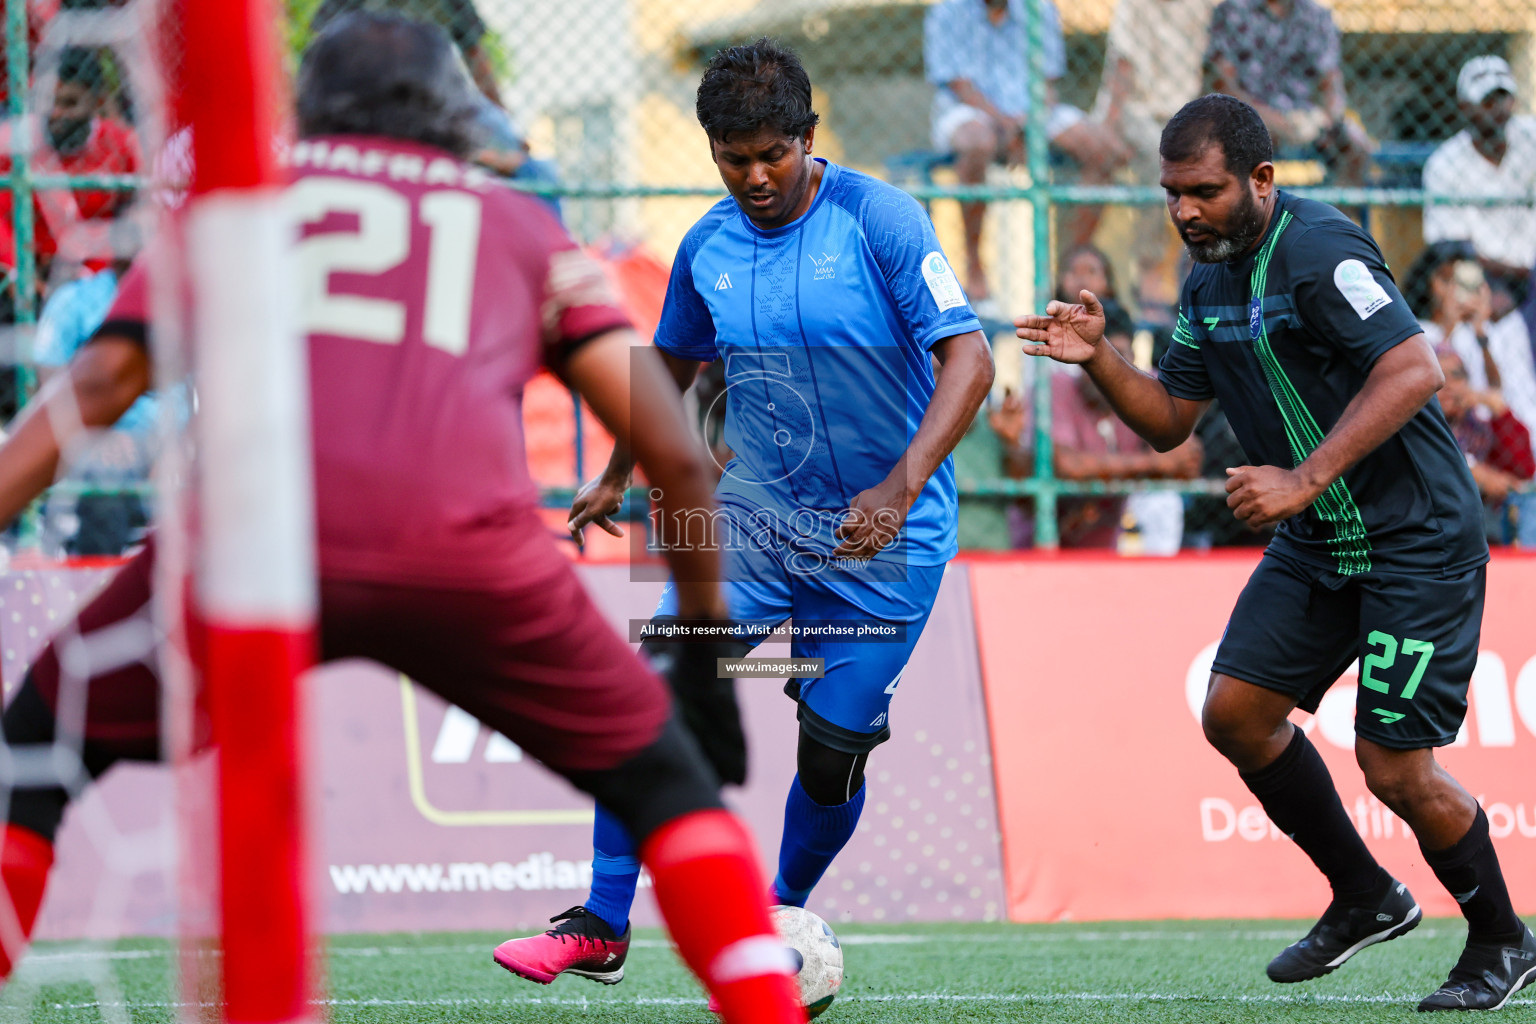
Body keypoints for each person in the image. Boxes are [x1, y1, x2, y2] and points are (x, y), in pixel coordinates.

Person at [0, 16, 807, 1023]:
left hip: (256, 544)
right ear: (449, 116)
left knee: (31, 743)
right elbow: (677, 449)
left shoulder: (238, 208)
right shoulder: (517, 224)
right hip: (470, 554)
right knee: (669, 788)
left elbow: (105, 380)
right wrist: (702, 656)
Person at [1017, 93, 1535, 1010]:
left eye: (1203, 191)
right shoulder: (1206, 279)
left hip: (1414, 543)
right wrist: (1098, 358)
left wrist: (1302, 479)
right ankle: (1366, 896)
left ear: (1261, 179)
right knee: (1235, 714)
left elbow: (1415, 368)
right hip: (1319, 544)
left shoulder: (1320, 249)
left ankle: (1502, 941)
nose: (1183, 212)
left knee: (1395, 768)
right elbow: (1172, 421)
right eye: (1172, 193)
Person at [495, 38, 993, 990]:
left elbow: (968, 361)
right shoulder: (708, 243)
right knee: (655, 692)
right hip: (755, 524)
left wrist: (897, 488)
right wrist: (615, 472)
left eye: (774, 153)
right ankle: (601, 921)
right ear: (712, 150)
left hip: (882, 540)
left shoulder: (881, 219)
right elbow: (669, 368)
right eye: (735, 157)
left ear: (809, 138)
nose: (757, 175)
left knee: (835, 747)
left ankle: (773, 917)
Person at [923, 0, 1127, 299]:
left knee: (1104, 150)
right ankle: (975, 266)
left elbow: (1046, 84)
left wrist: (1027, 125)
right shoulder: (947, 12)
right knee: (977, 143)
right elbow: (960, 87)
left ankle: (1069, 271)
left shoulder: (1040, 8)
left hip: (1034, 111)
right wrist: (1007, 125)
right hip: (969, 110)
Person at [0, 45, 141, 273]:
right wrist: (18, 272)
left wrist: (95, 271)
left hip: (96, 268)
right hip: (29, 266)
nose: (55, 112)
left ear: (97, 103)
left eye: (69, 103)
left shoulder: (121, 143)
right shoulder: (15, 142)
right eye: (48, 101)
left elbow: (137, 211)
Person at [1205, 0, 1371, 185]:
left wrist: (1328, 119)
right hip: (1247, 113)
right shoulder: (1233, 11)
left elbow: (1330, 80)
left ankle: (1333, 212)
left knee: (1357, 148)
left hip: (1302, 116)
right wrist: (1272, 120)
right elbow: (1224, 83)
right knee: (1230, 148)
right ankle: (1249, 211)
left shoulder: (1316, 16)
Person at [1422, 56, 1536, 318]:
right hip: (1486, 276)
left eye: (1503, 98)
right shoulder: (1445, 163)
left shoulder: (1530, 137)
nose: (1498, 108)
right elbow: (1452, 249)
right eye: (1487, 101)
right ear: (1465, 107)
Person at [1404, 241, 1536, 434]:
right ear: (1430, 283)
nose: (1455, 291)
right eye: (1446, 281)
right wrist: (1448, 327)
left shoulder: (1486, 331)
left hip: (1486, 430)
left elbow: (1497, 388)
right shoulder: (1419, 330)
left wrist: (1480, 331)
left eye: (1462, 282)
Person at [1436, 348, 1535, 545]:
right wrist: (1472, 472)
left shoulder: (1478, 429)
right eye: (1439, 376)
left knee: (1526, 502)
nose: (1448, 385)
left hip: (1483, 524)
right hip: (1438, 524)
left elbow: (1523, 470)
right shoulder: (1416, 424)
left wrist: (1498, 408)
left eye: (1456, 376)